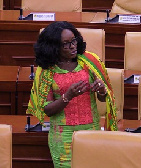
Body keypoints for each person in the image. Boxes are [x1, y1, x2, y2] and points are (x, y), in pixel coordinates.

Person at [26, 21, 118, 168]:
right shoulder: (46, 70)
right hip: (63, 136)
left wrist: (101, 90)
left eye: (74, 40)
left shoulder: (89, 62)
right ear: (54, 47)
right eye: (66, 44)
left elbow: (103, 98)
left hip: (91, 130)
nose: (72, 46)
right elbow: (47, 110)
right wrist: (67, 96)